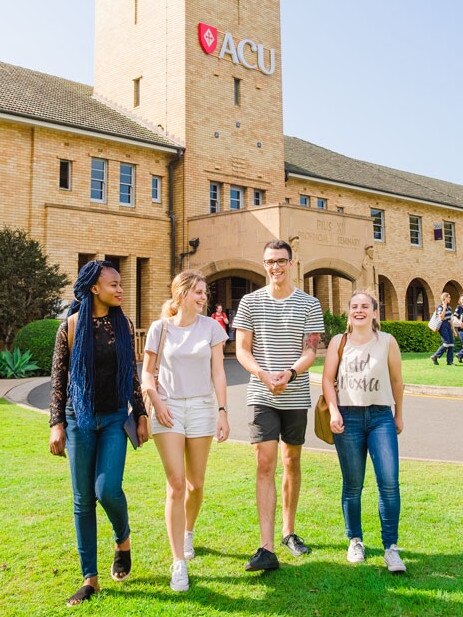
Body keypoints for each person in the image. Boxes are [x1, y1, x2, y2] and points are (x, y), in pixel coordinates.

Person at [49, 260, 149, 606]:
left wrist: (141, 413)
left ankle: (123, 540)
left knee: (107, 489)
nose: (120, 290)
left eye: (121, 284)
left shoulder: (123, 325)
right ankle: (89, 578)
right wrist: (57, 423)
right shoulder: (72, 326)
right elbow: (58, 379)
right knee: (82, 500)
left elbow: (131, 374)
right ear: (94, 288)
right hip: (79, 419)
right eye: (114, 285)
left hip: (112, 419)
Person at [234, 239, 324, 572]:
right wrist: (263, 374)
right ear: (264, 264)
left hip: (296, 393)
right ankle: (266, 547)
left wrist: (289, 373)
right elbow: (242, 349)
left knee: (292, 460)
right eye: (270, 261)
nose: (275, 267)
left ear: (291, 262)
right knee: (265, 462)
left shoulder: (309, 304)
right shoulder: (249, 302)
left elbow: (311, 350)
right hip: (261, 394)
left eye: (281, 261)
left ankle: (289, 531)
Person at [142, 270, 229, 592]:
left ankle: (188, 530)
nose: (203, 296)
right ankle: (178, 561)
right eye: (198, 292)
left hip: (203, 408)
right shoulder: (159, 328)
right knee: (176, 484)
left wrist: (222, 410)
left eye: (205, 292)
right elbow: (147, 374)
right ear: (181, 294)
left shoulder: (212, 328)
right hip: (169, 408)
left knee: (196, 484)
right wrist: (156, 401)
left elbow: (218, 373)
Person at [322, 290, 406, 572]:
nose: (359, 311)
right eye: (354, 306)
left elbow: (397, 381)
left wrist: (399, 414)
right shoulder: (339, 341)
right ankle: (355, 540)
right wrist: (334, 411)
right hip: (348, 417)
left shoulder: (387, 342)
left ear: (374, 313)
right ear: (349, 312)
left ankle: (391, 547)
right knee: (353, 484)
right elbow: (327, 379)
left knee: (389, 483)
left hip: (381, 416)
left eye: (364, 307)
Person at [431, 292, 454, 365]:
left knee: (451, 344)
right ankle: (435, 356)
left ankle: (450, 362)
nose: (450, 298)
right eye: (449, 297)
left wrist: (453, 330)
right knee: (446, 343)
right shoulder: (440, 307)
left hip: (448, 325)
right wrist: (444, 308)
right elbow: (441, 317)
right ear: (445, 298)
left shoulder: (449, 307)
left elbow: (450, 319)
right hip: (442, 325)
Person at [453, 294, 463, 363]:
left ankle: (460, 355)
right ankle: (460, 354)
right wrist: (459, 322)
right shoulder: (459, 307)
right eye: (462, 299)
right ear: (460, 300)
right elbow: (455, 316)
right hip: (461, 330)